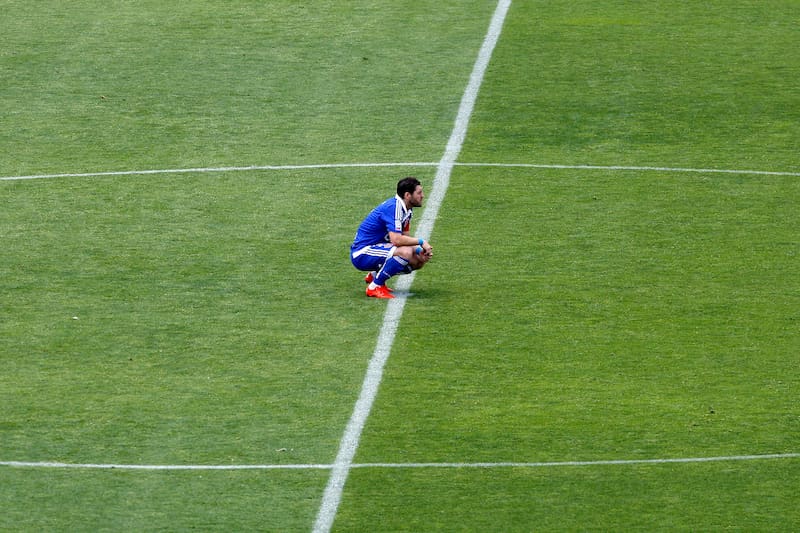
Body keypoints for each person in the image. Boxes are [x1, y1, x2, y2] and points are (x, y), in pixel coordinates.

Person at [350, 177, 433, 299]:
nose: (423, 196)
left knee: (418, 260)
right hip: (362, 252)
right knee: (406, 253)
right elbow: (397, 240)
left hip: (377, 247)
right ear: (407, 195)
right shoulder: (394, 208)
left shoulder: (407, 210)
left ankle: (375, 276)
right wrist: (421, 242)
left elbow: (405, 237)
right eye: (419, 193)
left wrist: (419, 250)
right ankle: (374, 287)